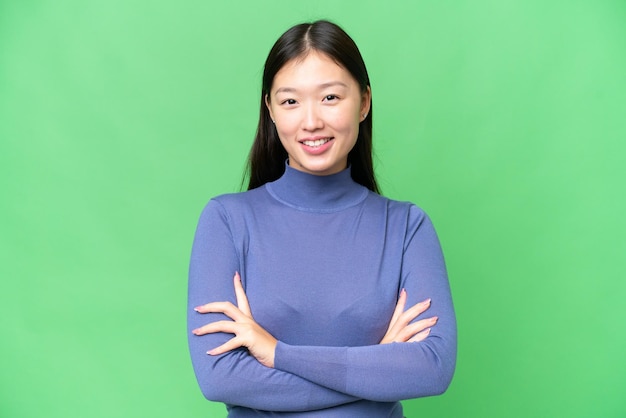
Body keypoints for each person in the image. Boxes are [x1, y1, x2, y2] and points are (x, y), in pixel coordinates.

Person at [187, 20, 457, 417]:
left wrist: (277, 353)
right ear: (270, 110)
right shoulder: (227, 221)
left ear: (364, 102)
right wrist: (375, 369)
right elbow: (220, 378)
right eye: (290, 101)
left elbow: (432, 369)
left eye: (330, 97)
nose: (311, 121)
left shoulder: (406, 228)